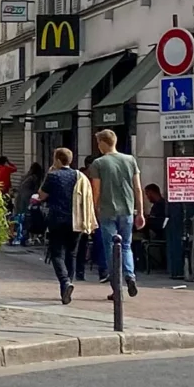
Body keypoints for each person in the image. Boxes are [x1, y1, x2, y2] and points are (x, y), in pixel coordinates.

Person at [85, 128, 143, 296]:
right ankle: (130, 276)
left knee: (110, 248)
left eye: (98, 143)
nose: (98, 146)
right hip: (127, 210)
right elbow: (138, 188)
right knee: (126, 246)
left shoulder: (98, 163)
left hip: (107, 210)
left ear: (103, 143)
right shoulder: (130, 160)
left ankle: (117, 288)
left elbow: (96, 190)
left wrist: (93, 209)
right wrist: (140, 212)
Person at [39, 147, 83, 303]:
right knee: (71, 254)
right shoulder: (79, 176)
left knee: (57, 254)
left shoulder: (53, 176)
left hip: (56, 219)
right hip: (75, 219)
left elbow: (41, 195)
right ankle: (68, 285)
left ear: (57, 160)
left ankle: (65, 282)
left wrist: (49, 173)